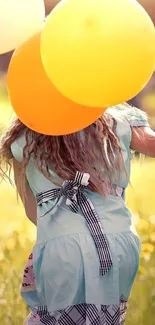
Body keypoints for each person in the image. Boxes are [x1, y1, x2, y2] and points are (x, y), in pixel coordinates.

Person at [0, 103, 155, 325]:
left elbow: (33, 211)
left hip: (63, 246)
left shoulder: (24, 135)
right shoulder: (117, 120)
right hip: (118, 241)